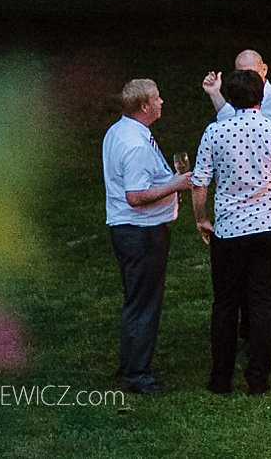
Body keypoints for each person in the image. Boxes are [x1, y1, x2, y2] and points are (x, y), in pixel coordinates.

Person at [191, 70, 271, 395]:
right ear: (261, 97)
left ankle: (220, 378)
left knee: (225, 303)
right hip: (268, 228)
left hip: (228, 229)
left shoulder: (214, 132)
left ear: (231, 97)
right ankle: (258, 378)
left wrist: (201, 219)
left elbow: (200, 182)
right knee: (262, 302)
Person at [101, 79, 192, 395]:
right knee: (145, 302)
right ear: (143, 106)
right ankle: (137, 373)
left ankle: (129, 365)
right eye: (156, 98)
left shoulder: (119, 131)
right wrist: (177, 185)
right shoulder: (136, 146)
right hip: (141, 232)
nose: (162, 101)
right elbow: (136, 196)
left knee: (136, 299)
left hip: (127, 230)